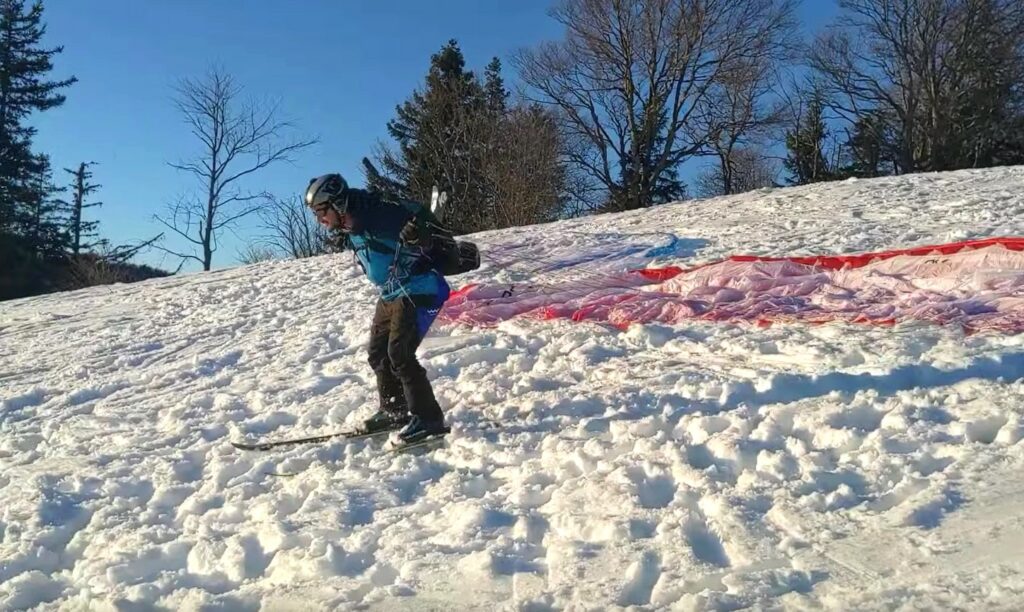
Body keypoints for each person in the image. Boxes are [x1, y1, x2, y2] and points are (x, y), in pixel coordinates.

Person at [304, 173, 451, 444]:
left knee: (400, 353)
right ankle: (395, 411)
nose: (319, 220)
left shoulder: (381, 213)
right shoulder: (350, 225)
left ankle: (429, 419)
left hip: (420, 287)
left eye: (320, 212)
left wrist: (419, 236)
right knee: (378, 354)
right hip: (393, 291)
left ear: (336, 204)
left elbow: (428, 231)